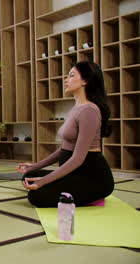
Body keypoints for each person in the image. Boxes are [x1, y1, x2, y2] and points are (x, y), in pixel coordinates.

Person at [18, 61, 114, 207]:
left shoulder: (89, 111)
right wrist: (34, 166)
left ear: (85, 80)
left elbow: (77, 159)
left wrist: (43, 182)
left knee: (36, 196)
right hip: (73, 173)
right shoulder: (76, 108)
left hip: (92, 177)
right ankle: (80, 193)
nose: (66, 80)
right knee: (29, 176)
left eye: (71, 76)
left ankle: (94, 196)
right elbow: (64, 148)